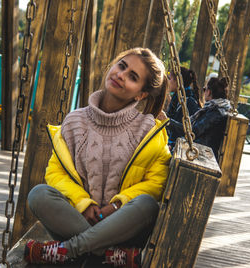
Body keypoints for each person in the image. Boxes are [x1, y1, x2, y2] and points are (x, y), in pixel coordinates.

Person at [24, 47, 172, 267]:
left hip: (123, 225)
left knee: (147, 205)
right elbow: (55, 172)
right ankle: (109, 254)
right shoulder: (75, 121)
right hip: (78, 217)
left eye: (133, 77)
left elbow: (156, 183)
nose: (121, 75)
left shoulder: (148, 130)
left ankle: (71, 249)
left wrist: (115, 207)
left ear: (141, 94)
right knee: (38, 194)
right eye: (121, 66)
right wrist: (83, 204)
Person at [167, 77, 231, 161]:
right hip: (200, 152)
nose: (203, 92)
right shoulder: (216, 109)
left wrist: (167, 122)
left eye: (204, 89)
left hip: (201, 156)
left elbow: (192, 132)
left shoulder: (215, 112)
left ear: (209, 92)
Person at [166, 67, 201, 149]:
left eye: (169, 78)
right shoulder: (177, 98)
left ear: (177, 81)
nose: (167, 81)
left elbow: (186, 131)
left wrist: (166, 120)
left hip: (178, 147)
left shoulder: (188, 102)